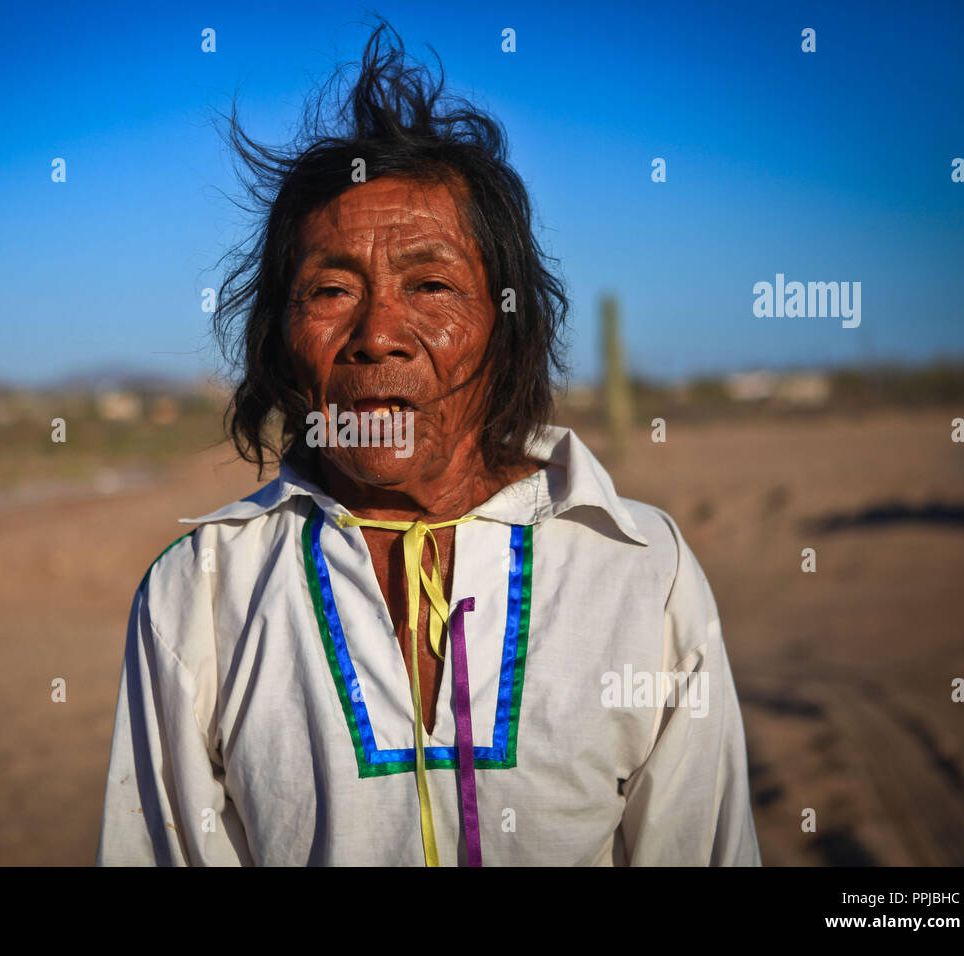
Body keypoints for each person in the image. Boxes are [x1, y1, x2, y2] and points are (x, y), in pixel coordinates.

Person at [95, 22, 760, 866]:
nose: (378, 335)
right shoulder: (198, 593)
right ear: (278, 339)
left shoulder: (639, 571)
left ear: (508, 327)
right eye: (330, 289)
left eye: (432, 284)